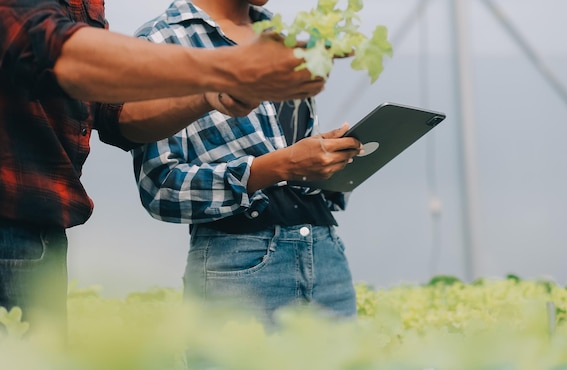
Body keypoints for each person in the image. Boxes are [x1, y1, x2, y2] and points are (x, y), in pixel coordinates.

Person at [0, 0, 327, 337]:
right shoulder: (165, 35)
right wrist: (229, 66)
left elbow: (112, 113)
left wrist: (207, 95)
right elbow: (45, 45)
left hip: (40, 230)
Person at [132, 0, 363, 325]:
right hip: (240, 262)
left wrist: (324, 159)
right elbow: (161, 189)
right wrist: (280, 166)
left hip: (325, 252)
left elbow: (287, 150)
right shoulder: (161, 41)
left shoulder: (277, 36)